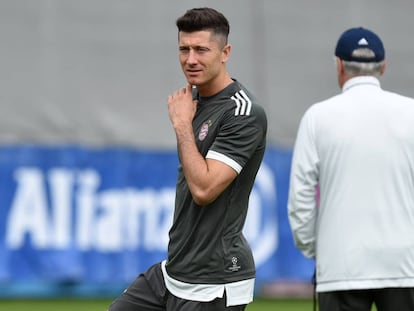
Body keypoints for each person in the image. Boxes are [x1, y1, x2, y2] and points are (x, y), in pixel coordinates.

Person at [108, 7, 267, 311]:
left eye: (201, 50)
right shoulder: (193, 103)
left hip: (215, 281)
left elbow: (204, 189)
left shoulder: (243, 112)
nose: (190, 59)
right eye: (184, 49)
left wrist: (182, 126)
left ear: (225, 52)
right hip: (173, 273)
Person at [288, 27, 414, 311]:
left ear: (339, 65)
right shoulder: (411, 112)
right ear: (383, 66)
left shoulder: (317, 117)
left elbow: (301, 198)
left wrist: (316, 249)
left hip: (341, 265)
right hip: (405, 264)